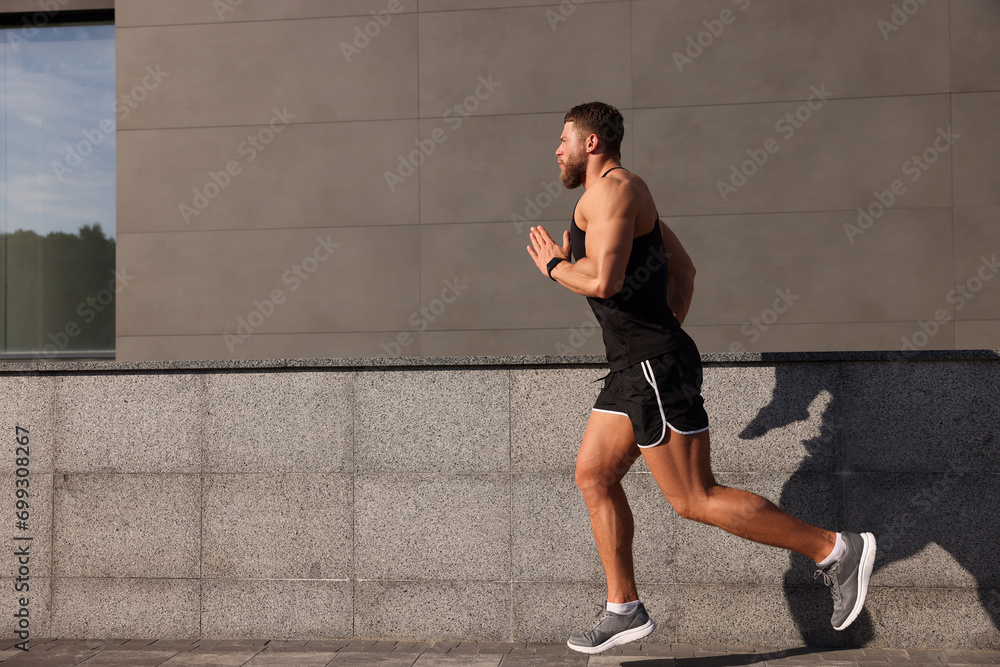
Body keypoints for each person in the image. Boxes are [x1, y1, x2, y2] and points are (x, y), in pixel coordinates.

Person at [526, 101, 875, 655]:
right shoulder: (619, 199)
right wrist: (663, 332)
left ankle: (834, 550)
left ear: (591, 143)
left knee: (694, 497)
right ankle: (624, 608)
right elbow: (684, 268)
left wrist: (556, 268)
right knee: (593, 475)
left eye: (563, 139)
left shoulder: (614, 191)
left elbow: (607, 282)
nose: (557, 151)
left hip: (650, 366)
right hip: (635, 367)